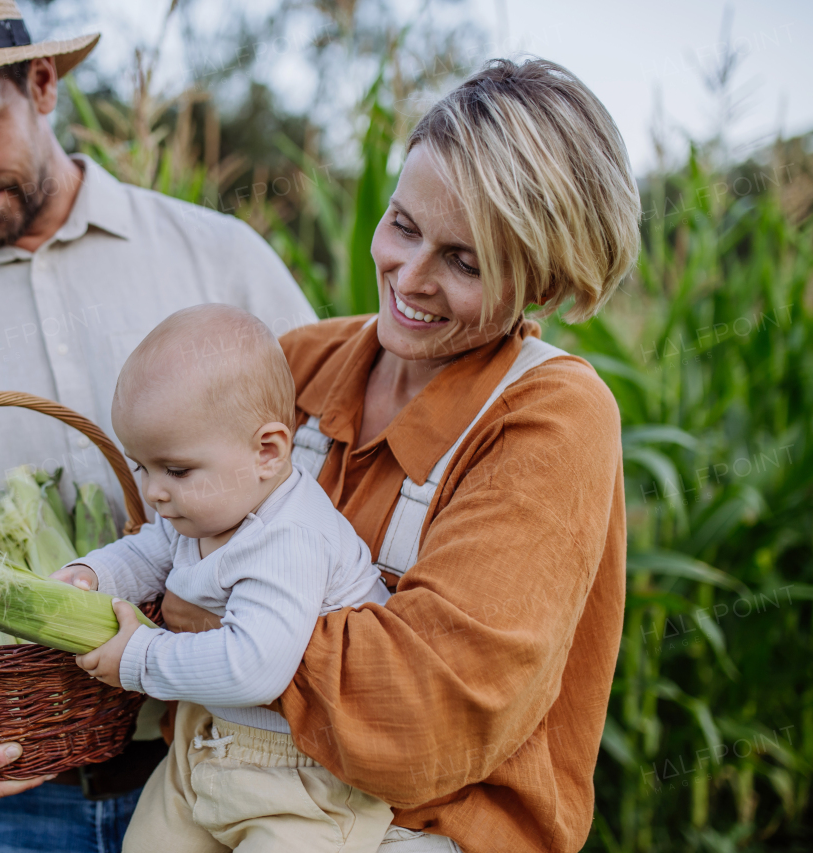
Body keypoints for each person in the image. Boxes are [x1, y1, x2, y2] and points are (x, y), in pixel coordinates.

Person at [0, 2, 317, 852]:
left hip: (237, 762)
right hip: (3, 794)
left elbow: (331, 461)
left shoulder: (217, 257)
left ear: (41, 84)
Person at [161, 58, 639, 853]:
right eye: (404, 225)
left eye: (465, 261)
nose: (408, 278)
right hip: (230, 786)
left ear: (546, 283)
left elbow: (425, 713)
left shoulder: (553, 417)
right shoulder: (299, 365)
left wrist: (220, 622)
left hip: (420, 829)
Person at [51, 303, 393, 853]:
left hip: (304, 779)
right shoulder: (205, 509)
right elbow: (147, 554)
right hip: (205, 744)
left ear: (267, 451)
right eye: (142, 468)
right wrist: (93, 575)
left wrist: (139, 658)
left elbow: (254, 668)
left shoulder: (289, 539)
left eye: (176, 470)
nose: (155, 492)